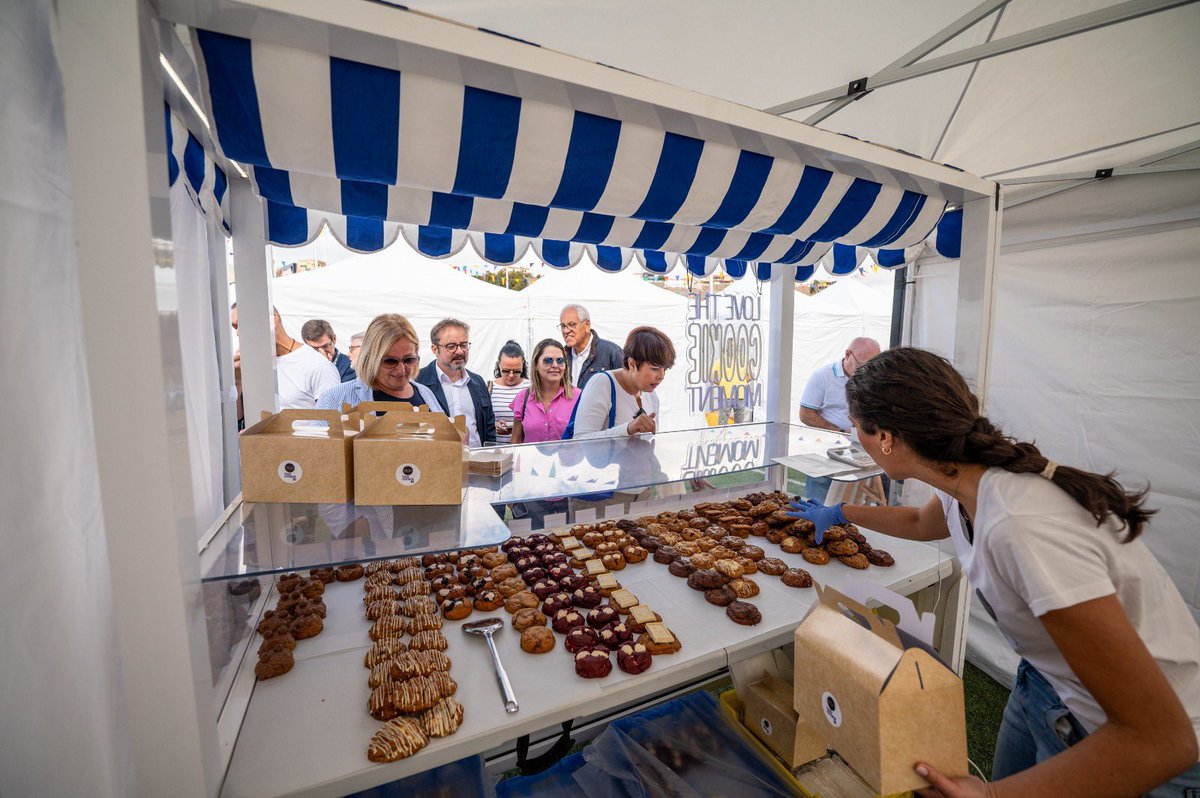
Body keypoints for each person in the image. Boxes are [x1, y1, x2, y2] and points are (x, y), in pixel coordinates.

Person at [789, 347, 1200, 798]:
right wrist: (840, 512)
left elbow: (1162, 740)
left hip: (1137, 741)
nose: (854, 433)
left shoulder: (1020, 526)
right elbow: (924, 523)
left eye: (855, 424)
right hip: (1046, 685)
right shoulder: (962, 478)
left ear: (886, 437)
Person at [798, 336, 881, 502]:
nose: (867, 371)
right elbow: (806, 414)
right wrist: (840, 431)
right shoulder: (823, 376)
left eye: (872, 366)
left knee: (857, 493)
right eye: (862, 365)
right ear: (848, 354)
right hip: (826, 448)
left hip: (862, 447)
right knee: (819, 494)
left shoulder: (873, 378)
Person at [316, 314, 443, 413]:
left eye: (409, 360)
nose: (401, 370)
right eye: (390, 361)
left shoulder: (425, 394)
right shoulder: (335, 398)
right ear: (371, 358)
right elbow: (315, 444)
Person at [568, 326, 674, 440]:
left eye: (665, 369)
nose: (662, 376)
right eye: (655, 368)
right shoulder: (602, 383)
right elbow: (581, 439)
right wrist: (627, 429)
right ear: (632, 364)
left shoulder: (651, 394)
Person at [231, 302, 340, 411]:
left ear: (272, 319)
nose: (238, 333)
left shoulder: (318, 366)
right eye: (235, 327)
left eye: (243, 323)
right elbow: (239, 420)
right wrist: (237, 380)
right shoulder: (252, 366)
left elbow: (330, 423)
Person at [415, 318, 496, 447]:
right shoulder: (419, 382)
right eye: (451, 346)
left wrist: (489, 455)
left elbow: (489, 426)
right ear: (435, 349)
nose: (459, 351)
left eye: (463, 345)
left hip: (477, 461)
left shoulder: (477, 382)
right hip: (438, 462)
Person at [511, 339, 579, 444]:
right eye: (548, 360)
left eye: (560, 360)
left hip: (566, 460)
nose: (555, 365)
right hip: (531, 460)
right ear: (535, 365)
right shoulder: (522, 397)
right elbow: (516, 442)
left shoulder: (579, 397)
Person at [559, 303, 623, 389]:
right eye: (563, 326)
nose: (566, 331)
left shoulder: (612, 352)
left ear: (587, 325)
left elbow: (627, 391)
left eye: (572, 325)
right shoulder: (562, 356)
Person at [488, 340, 529, 445]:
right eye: (506, 371)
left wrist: (514, 430)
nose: (511, 375)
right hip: (495, 451)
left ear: (523, 365)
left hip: (522, 451)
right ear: (499, 365)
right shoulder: (489, 388)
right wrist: (494, 424)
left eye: (516, 371)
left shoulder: (531, 388)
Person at [302, 318, 355, 383]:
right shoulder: (301, 364)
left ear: (334, 339)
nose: (320, 352)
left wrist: (328, 367)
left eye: (325, 346)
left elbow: (342, 392)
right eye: (314, 348)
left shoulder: (351, 365)